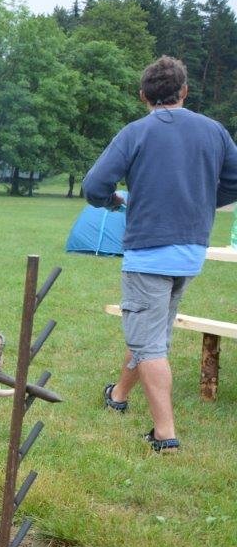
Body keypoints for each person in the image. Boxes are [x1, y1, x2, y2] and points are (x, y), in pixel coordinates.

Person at [82, 55, 237, 453]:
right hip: (190, 253)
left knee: (149, 342)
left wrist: (115, 201)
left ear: (143, 96)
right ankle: (118, 395)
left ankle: (165, 435)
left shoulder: (135, 132)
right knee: (151, 332)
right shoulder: (214, 131)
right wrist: (204, 201)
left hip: (149, 254)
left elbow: (94, 186)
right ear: (184, 91)